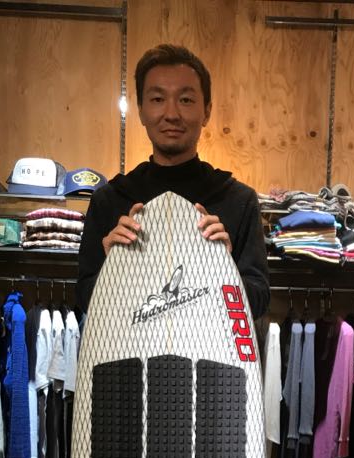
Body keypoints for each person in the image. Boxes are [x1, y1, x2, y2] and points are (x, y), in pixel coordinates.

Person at [77, 43, 269, 320]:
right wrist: (112, 267)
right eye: (157, 99)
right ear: (141, 111)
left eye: (186, 100)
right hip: (133, 348)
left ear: (207, 111)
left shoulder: (238, 200)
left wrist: (224, 269)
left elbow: (259, 302)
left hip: (208, 348)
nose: (171, 114)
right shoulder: (110, 200)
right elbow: (85, 299)